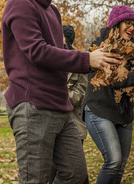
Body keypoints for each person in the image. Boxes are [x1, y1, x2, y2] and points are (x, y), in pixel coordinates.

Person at [1, 0, 122, 184]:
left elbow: (60, 52)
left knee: (76, 176)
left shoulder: (52, 11)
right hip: (32, 107)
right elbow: (37, 51)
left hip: (60, 106)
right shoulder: (20, 3)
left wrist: (100, 58)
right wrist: (88, 60)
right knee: (34, 180)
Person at [84, 5, 134, 184]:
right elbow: (113, 79)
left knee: (120, 167)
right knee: (113, 162)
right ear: (116, 24)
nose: (132, 28)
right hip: (100, 110)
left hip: (124, 114)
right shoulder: (101, 46)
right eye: (127, 23)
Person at [49, 25, 89, 183]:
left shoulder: (79, 63)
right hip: (51, 122)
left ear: (67, 39)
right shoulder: (49, 58)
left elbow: (79, 96)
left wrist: (59, 93)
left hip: (74, 125)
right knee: (56, 171)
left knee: (77, 172)